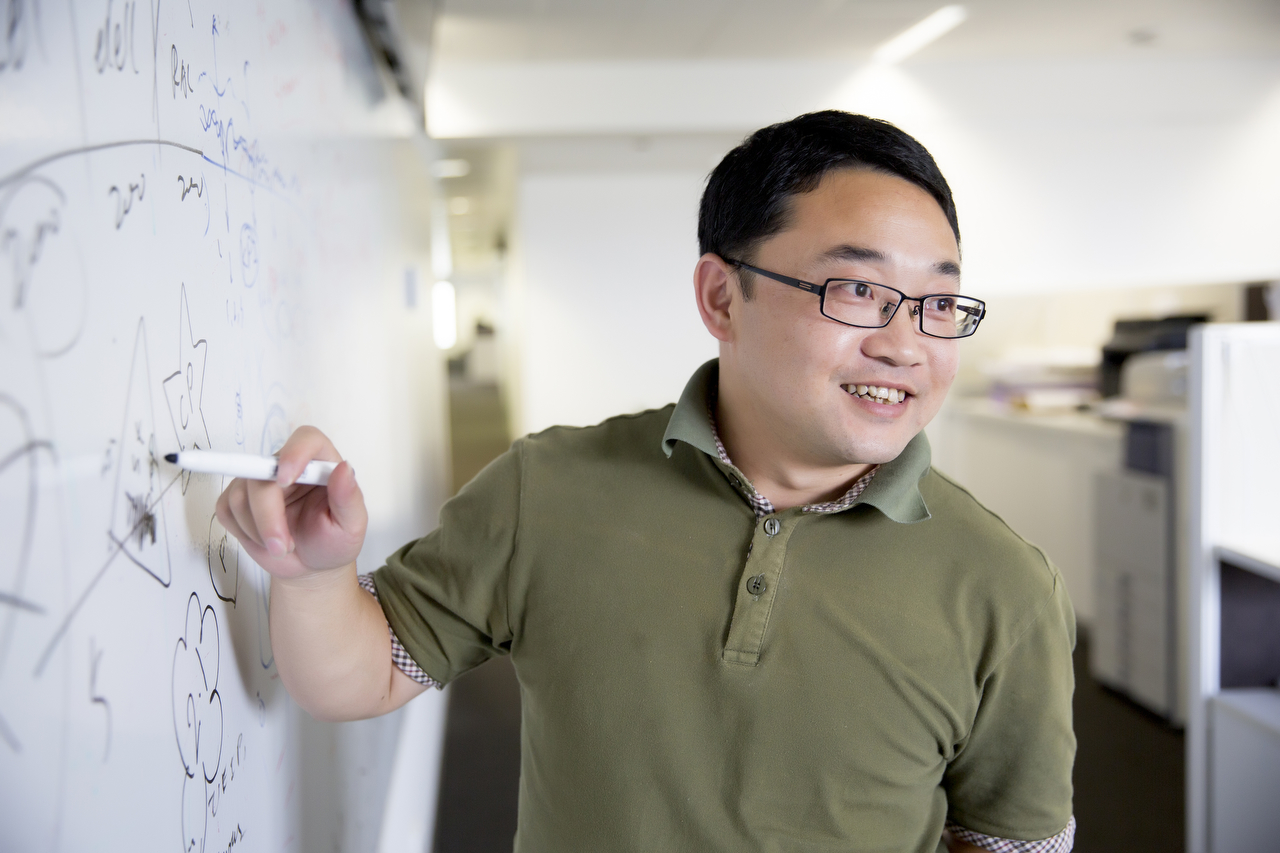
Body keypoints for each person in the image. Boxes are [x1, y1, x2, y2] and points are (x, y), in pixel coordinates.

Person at [216, 111, 1076, 853]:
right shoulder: (548, 488)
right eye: (858, 288)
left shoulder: (1003, 584)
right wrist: (315, 571)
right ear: (721, 296)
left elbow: (1010, 839)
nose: (907, 343)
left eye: (938, 303)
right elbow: (358, 675)